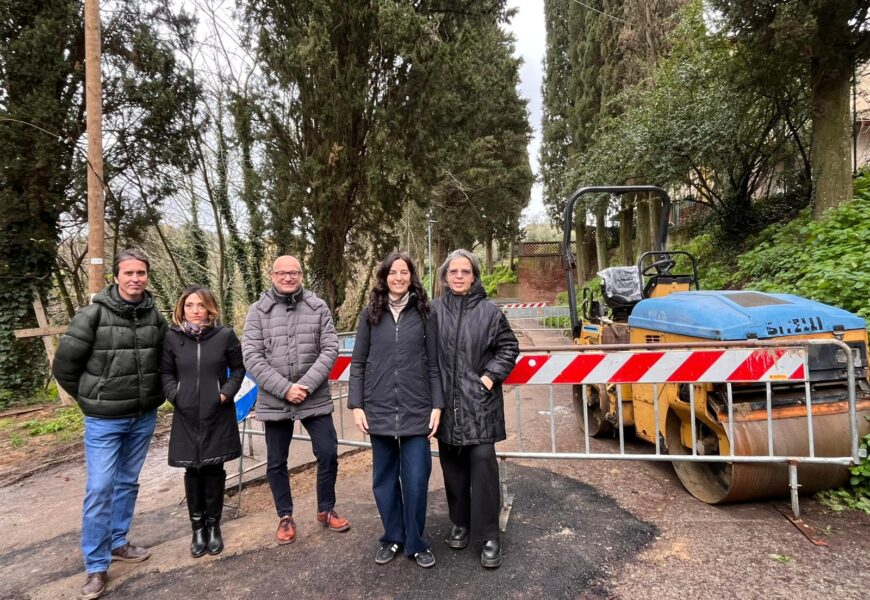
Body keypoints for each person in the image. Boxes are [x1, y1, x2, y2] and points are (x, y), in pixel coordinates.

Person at [52, 248, 168, 600]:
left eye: (141, 273)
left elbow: (165, 359)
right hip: (104, 420)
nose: (135, 279)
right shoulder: (92, 315)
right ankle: (96, 564)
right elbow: (64, 367)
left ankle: (118, 541)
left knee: (127, 482)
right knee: (100, 487)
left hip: (143, 416)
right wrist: (92, 397)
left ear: (147, 276)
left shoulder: (154, 315)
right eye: (129, 273)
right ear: (116, 277)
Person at [242, 255, 349, 545]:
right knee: (277, 461)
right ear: (272, 275)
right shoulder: (257, 311)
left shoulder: (317, 307)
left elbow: (330, 349)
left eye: (294, 272)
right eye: (282, 273)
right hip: (275, 399)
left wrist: (305, 386)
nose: (288, 277)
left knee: (328, 452)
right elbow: (251, 356)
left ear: (301, 275)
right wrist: (285, 389)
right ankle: (285, 516)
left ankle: (326, 508)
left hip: (314, 396)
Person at [348, 252, 443, 568]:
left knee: (416, 480)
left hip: (417, 410)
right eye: (393, 272)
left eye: (404, 272)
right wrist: (357, 405)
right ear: (384, 277)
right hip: (380, 409)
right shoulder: (370, 314)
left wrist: (437, 405)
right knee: (384, 480)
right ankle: (393, 537)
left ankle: (416, 542)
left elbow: (433, 364)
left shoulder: (425, 313)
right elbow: (358, 363)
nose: (398, 277)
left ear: (412, 276)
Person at [431, 249, 519, 569]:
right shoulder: (433, 311)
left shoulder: (490, 312)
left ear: (474, 276)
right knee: (452, 467)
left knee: (483, 466)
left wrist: (489, 378)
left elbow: (509, 346)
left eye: (465, 271)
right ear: (444, 276)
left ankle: (489, 535)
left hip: (480, 405)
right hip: (446, 406)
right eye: (453, 271)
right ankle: (460, 522)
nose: (459, 276)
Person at [160, 286, 245, 558]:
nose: (195, 311)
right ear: (181, 309)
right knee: (193, 470)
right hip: (186, 415)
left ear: (210, 308)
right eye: (189, 305)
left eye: (201, 305)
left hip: (216, 412)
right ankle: (197, 528)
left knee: (213, 469)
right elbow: (165, 373)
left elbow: (238, 369)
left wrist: (224, 394)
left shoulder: (225, 336)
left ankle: (213, 526)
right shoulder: (172, 338)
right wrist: (176, 395)